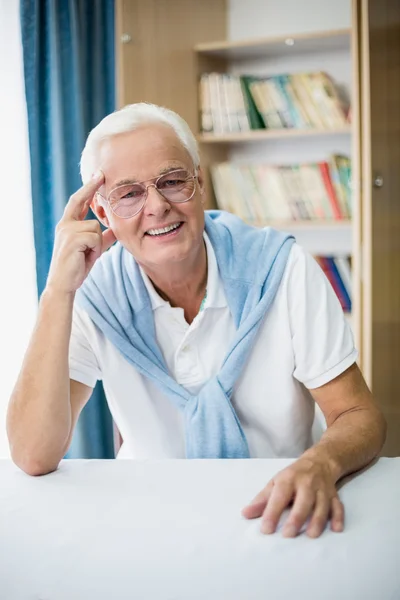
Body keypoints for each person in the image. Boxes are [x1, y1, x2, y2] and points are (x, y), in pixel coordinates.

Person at [7, 103, 386, 539]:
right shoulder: (92, 295)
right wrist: (58, 292)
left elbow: (359, 414)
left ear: (200, 183)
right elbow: (34, 454)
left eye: (172, 182)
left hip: (281, 511)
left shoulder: (284, 269)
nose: (157, 207)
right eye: (128, 193)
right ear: (101, 212)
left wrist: (320, 463)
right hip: (150, 519)